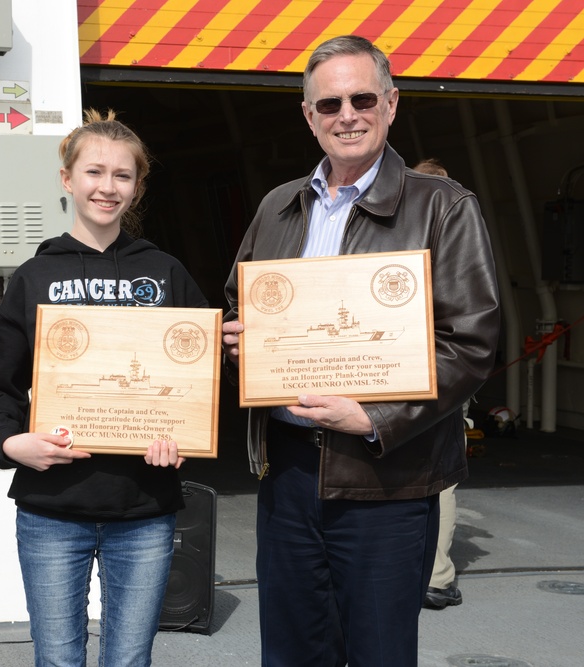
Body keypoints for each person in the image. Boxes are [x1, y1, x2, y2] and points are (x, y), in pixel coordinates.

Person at [221, 36, 500, 666]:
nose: (346, 114)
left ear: (392, 104)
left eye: (362, 97)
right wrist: (241, 343)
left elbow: (470, 343)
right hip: (289, 475)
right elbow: (242, 303)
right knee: (292, 654)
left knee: (379, 654)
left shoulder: (444, 207)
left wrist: (376, 419)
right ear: (309, 116)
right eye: (329, 104)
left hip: (387, 480)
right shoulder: (278, 206)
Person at [0, 109, 208, 667]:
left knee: (129, 662)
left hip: (145, 506)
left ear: (137, 186)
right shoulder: (33, 276)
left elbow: (201, 379)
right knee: (58, 661)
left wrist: (184, 438)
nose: (107, 187)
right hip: (53, 508)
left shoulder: (166, 272)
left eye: (122, 176)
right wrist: (9, 445)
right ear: (66, 179)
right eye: (94, 172)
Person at [412, 157, 464, 610]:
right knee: (440, 475)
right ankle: (438, 575)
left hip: (407, 366)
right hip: (442, 371)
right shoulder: (456, 237)